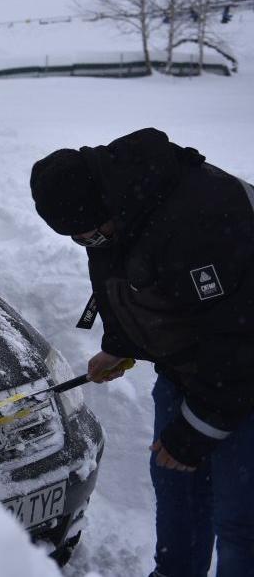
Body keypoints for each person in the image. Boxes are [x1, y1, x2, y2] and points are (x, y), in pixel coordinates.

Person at [29, 128, 254, 577]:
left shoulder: (200, 222)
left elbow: (238, 339)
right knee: (177, 486)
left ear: (106, 206)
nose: (88, 244)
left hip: (242, 370)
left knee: (240, 517)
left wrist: (196, 431)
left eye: (90, 235)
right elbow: (121, 271)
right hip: (196, 366)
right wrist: (121, 344)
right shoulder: (118, 205)